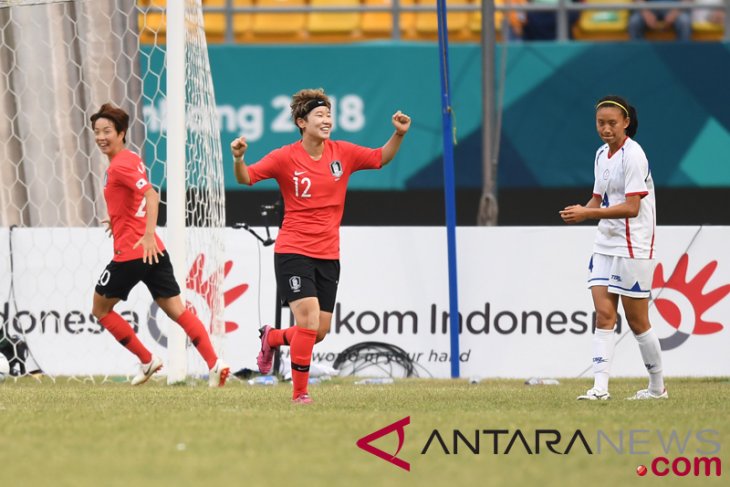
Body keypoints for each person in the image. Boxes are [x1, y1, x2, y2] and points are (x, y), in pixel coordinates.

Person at [231, 88, 411, 404]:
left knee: (319, 332)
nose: (327, 120)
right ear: (302, 122)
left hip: (328, 253)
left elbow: (380, 157)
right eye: (320, 115)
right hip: (293, 249)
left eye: (329, 114)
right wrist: (238, 158)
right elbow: (246, 177)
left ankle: (272, 338)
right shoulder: (284, 157)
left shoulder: (343, 152)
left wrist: (398, 134)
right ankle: (300, 394)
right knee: (308, 322)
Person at [90, 103, 230, 387]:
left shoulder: (120, 165)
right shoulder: (129, 159)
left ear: (121, 133)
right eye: (96, 132)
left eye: (107, 131)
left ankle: (146, 359)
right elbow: (133, 200)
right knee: (177, 310)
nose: (101, 137)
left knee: (101, 310)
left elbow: (151, 195)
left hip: (132, 252)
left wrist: (149, 234)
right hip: (154, 253)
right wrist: (117, 219)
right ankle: (215, 363)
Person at [560, 95, 667, 401]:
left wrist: (588, 214)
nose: (605, 129)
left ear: (626, 123)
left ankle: (657, 387)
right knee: (603, 315)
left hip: (633, 244)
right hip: (605, 242)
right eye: (600, 123)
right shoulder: (600, 155)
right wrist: (580, 211)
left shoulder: (634, 156)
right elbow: (598, 199)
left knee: (637, 321)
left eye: (611, 123)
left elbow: (632, 207)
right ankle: (599, 389)